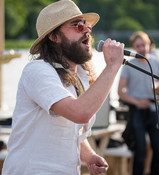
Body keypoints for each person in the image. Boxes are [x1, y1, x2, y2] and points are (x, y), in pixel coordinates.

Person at [2, 0, 125, 175]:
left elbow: (70, 131)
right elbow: (79, 113)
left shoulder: (81, 75)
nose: (87, 30)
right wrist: (112, 66)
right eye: (77, 26)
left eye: (86, 25)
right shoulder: (38, 70)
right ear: (54, 37)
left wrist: (89, 156)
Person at [118, 31, 159, 175]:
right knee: (140, 149)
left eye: (143, 45)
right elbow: (120, 91)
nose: (141, 48)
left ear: (149, 44)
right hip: (137, 110)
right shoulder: (128, 65)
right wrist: (137, 102)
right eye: (137, 46)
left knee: (158, 148)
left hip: (153, 109)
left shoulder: (156, 62)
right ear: (133, 47)